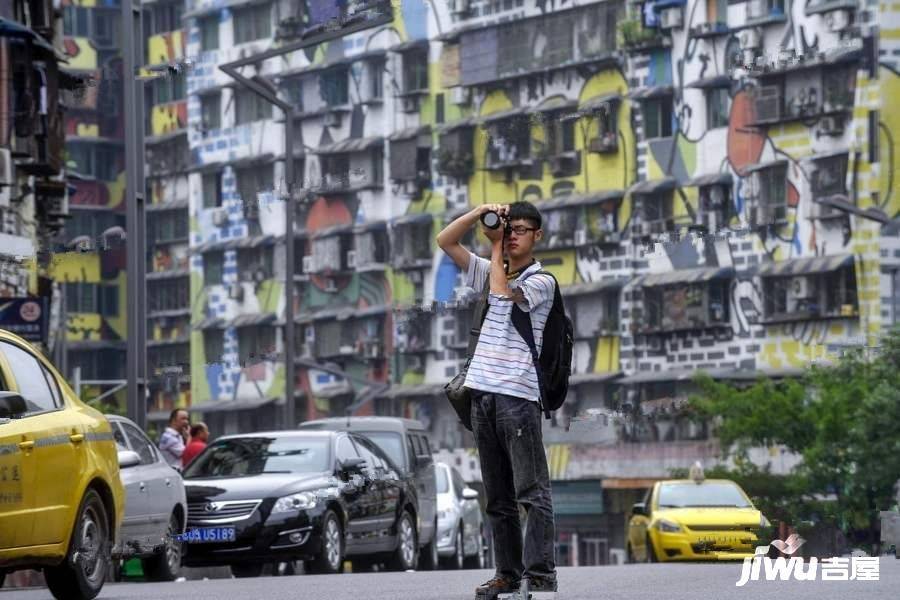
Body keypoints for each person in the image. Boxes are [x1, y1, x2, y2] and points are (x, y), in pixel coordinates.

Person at [436, 201, 557, 599]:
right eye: (511, 227)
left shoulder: (543, 281)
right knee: (498, 497)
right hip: (481, 395)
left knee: (531, 492)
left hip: (518, 397)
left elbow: (504, 293)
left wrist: (495, 247)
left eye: (522, 229)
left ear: (537, 235)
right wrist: (478, 214)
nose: (514, 234)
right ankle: (507, 574)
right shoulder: (492, 270)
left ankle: (539, 577)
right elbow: (445, 240)